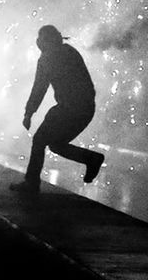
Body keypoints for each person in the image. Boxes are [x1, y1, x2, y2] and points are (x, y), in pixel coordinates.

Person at [9, 25, 105, 194]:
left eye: (40, 38)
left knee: (40, 140)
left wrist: (29, 113)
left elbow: (39, 89)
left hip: (69, 108)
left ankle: (31, 183)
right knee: (55, 144)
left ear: (45, 41)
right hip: (85, 108)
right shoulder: (69, 52)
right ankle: (92, 159)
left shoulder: (47, 59)